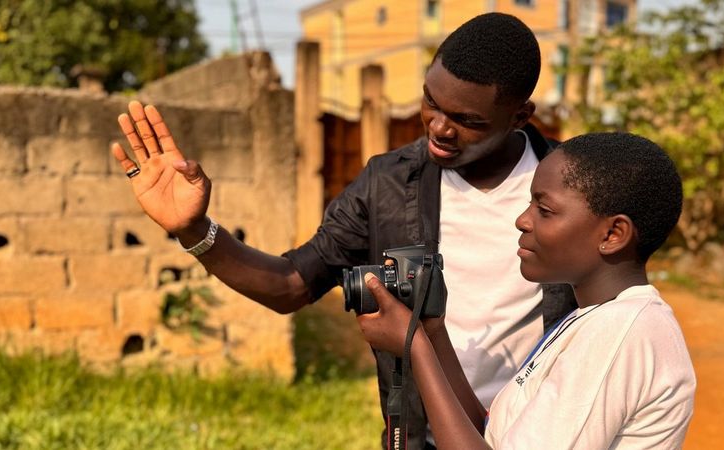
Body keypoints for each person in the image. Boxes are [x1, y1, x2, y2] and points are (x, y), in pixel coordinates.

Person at [111, 13, 576, 449]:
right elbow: (291, 284)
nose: (439, 128)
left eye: (466, 121)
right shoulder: (388, 183)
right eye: (431, 102)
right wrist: (195, 230)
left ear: (520, 116)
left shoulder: (577, 190)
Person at [357, 132, 697, 449]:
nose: (523, 220)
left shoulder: (620, 333)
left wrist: (414, 347)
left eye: (544, 210)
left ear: (613, 235)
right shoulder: (593, 319)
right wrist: (432, 334)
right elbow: (489, 436)